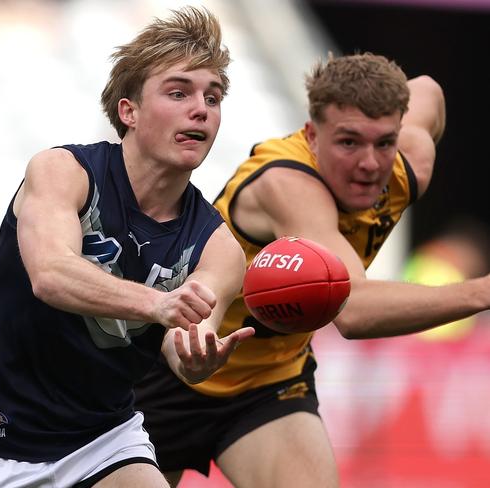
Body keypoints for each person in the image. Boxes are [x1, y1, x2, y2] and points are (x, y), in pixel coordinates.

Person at [0, 6, 254, 488]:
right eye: (179, 93)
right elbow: (51, 274)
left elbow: (185, 346)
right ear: (128, 111)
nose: (201, 108)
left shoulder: (218, 246)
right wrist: (159, 304)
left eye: (213, 97)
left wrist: (197, 360)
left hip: (100, 440)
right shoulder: (63, 172)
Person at [132, 52, 490, 488]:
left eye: (383, 142)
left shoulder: (410, 160)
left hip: (267, 383)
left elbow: (428, 89)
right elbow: (353, 311)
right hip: (167, 369)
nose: (369, 164)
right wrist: (482, 292)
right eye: (348, 142)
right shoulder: (286, 184)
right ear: (311, 136)